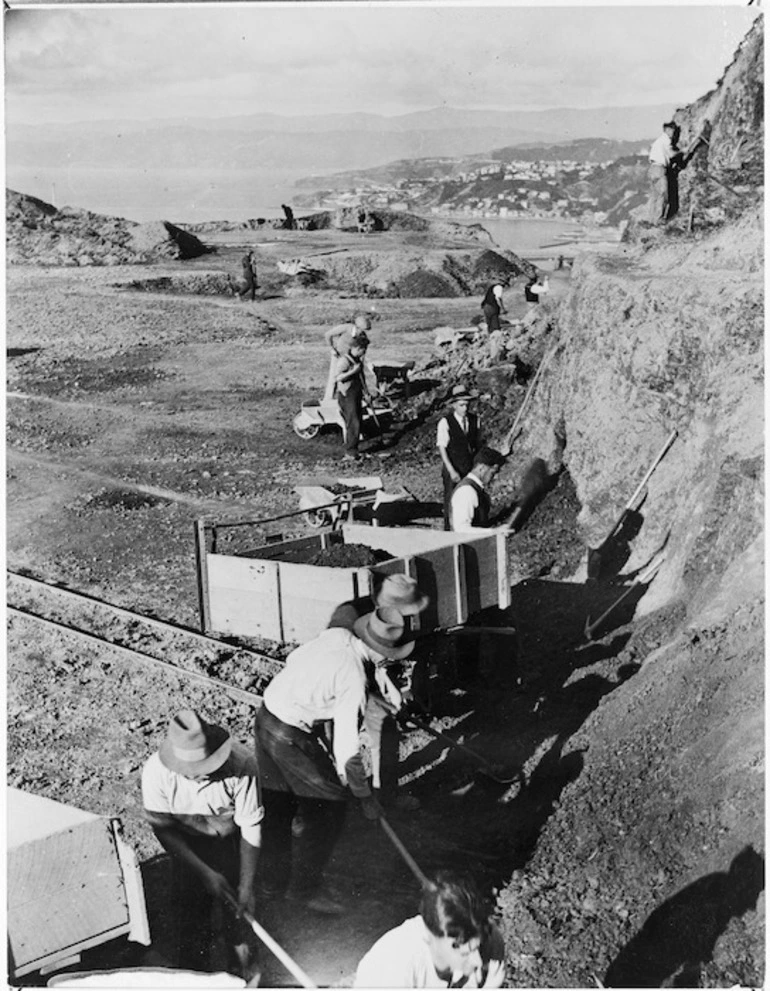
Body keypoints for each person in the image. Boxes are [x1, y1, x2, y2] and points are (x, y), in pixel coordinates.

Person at [254, 608, 414, 915]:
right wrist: (364, 797)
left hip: (265, 715)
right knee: (328, 809)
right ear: (382, 654)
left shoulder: (337, 636)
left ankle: (270, 886)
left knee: (277, 808)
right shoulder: (353, 678)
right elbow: (347, 750)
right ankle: (305, 890)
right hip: (289, 734)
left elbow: (296, 663)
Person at [141, 709, 262, 976]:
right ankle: (194, 973)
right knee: (190, 921)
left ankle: (245, 973)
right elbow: (164, 830)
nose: (199, 775)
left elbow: (251, 825)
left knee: (239, 917)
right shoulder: (155, 773)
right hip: (187, 845)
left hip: (229, 841)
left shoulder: (242, 764)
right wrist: (204, 872)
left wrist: (246, 885)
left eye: (206, 766)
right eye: (190, 771)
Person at [327, 574, 430, 807]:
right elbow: (353, 670)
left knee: (386, 729)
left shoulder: (387, 621)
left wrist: (391, 693)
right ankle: (345, 793)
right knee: (340, 738)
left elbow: (384, 657)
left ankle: (387, 797)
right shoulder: (348, 617)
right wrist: (388, 695)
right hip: (340, 679)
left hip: (365, 674)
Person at [354, 870, 506, 988]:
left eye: (477, 947)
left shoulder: (489, 939)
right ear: (429, 937)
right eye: (464, 953)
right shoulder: (393, 968)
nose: (478, 961)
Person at [436, 384, 483, 530]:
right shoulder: (445, 422)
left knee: (470, 497)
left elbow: (478, 444)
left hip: (469, 466)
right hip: (453, 467)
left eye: (467, 405)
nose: (465, 408)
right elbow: (442, 448)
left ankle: (471, 529)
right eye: (461, 405)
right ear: (454, 405)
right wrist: (451, 470)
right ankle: (450, 531)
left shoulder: (475, 420)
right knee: (451, 500)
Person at [450, 446, 508, 532]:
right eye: (493, 472)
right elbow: (461, 530)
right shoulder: (466, 491)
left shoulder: (475, 489)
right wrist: (495, 531)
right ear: (481, 468)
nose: (496, 477)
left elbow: (480, 525)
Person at [335, 336, 372, 459]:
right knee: (353, 422)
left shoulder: (358, 361)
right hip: (346, 395)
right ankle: (350, 452)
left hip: (356, 393)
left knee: (358, 421)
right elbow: (338, 378)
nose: (364, 352)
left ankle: (354, 449)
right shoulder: (344, 361)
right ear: (356, 348)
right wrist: (352, 371)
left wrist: (366, 393)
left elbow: (362, 379)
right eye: (363, 349)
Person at [648, 120, 681, 224]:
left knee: (655, 196)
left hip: (653, 168)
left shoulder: (658, 141)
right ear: (667, 130)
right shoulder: (666, 139)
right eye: (673, 130)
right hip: (660, 169)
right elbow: (671, 154)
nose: (674, 133)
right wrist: (681, 152)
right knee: (663, 194)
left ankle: (652, 220)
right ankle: (659, 219)